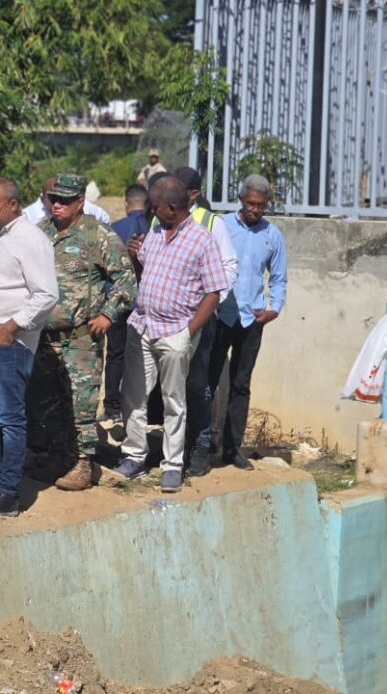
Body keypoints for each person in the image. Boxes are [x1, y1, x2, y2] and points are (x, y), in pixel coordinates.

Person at [114, 176, 229, 493]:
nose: (151, 210)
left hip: (175, 332)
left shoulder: (202, 240)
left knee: (173, 402)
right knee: (133, 396)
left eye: (156, 206)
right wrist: (135, 256)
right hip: (143, 326)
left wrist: (188, 332)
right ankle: (134, 456)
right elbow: (145, 275)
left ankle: (172, 465)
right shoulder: (154, 230)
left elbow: (213, 292)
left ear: (174, 208)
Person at [33, 173, 136, 491]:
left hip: (80, 340)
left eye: (65, 200)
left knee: (82, 403)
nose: (58, 205)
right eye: (53, 199)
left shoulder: (98, 235)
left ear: (80, 202)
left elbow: (126, 280)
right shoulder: (39, 233)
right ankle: (57, 456)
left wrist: (108, 314)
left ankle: (82, 464)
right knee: (49, 403)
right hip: (44, 339)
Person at [0, 177, 58, 517]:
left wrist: (11, 326)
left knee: (8, 419)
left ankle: (9, 492)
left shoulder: (30, 239)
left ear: (14, 204)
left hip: (9, 344)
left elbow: (46, 294)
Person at [209, 175, 287, 470]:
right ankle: (203, 443)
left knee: (241, 384)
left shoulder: (272, 235)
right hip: (218, 314)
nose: (256, 210)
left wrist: (274, 309)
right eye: (251, 204)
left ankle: (232, 448)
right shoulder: (222, 226)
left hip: (250, 319)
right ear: (241, 200)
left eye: (262, 205)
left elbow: (278, 278)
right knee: (208, 381)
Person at [172, 166, 238, 476]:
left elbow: (228, 268)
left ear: (194, 194)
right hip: (168, 319)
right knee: (171, 385)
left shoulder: (212, 223)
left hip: (199, 319)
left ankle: (198, 446)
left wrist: (209, 303)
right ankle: (173, 447)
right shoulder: (164, 217)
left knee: (197, 384)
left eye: (179, 187)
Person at [100, 183, 151, 442]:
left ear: (126, 202)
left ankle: (111, 407)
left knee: (115, 354)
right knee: (144, 358)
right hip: (144, 306)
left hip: (116, 304)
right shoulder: (154, 228)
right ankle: (140, 407)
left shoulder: (113, 229)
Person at [23, 175, 111, 225]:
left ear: (80, 203)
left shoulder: (95, 215)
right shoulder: (28, 219)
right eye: (52, 198)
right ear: (43, 199)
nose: (56, 204)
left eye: (63, 199)